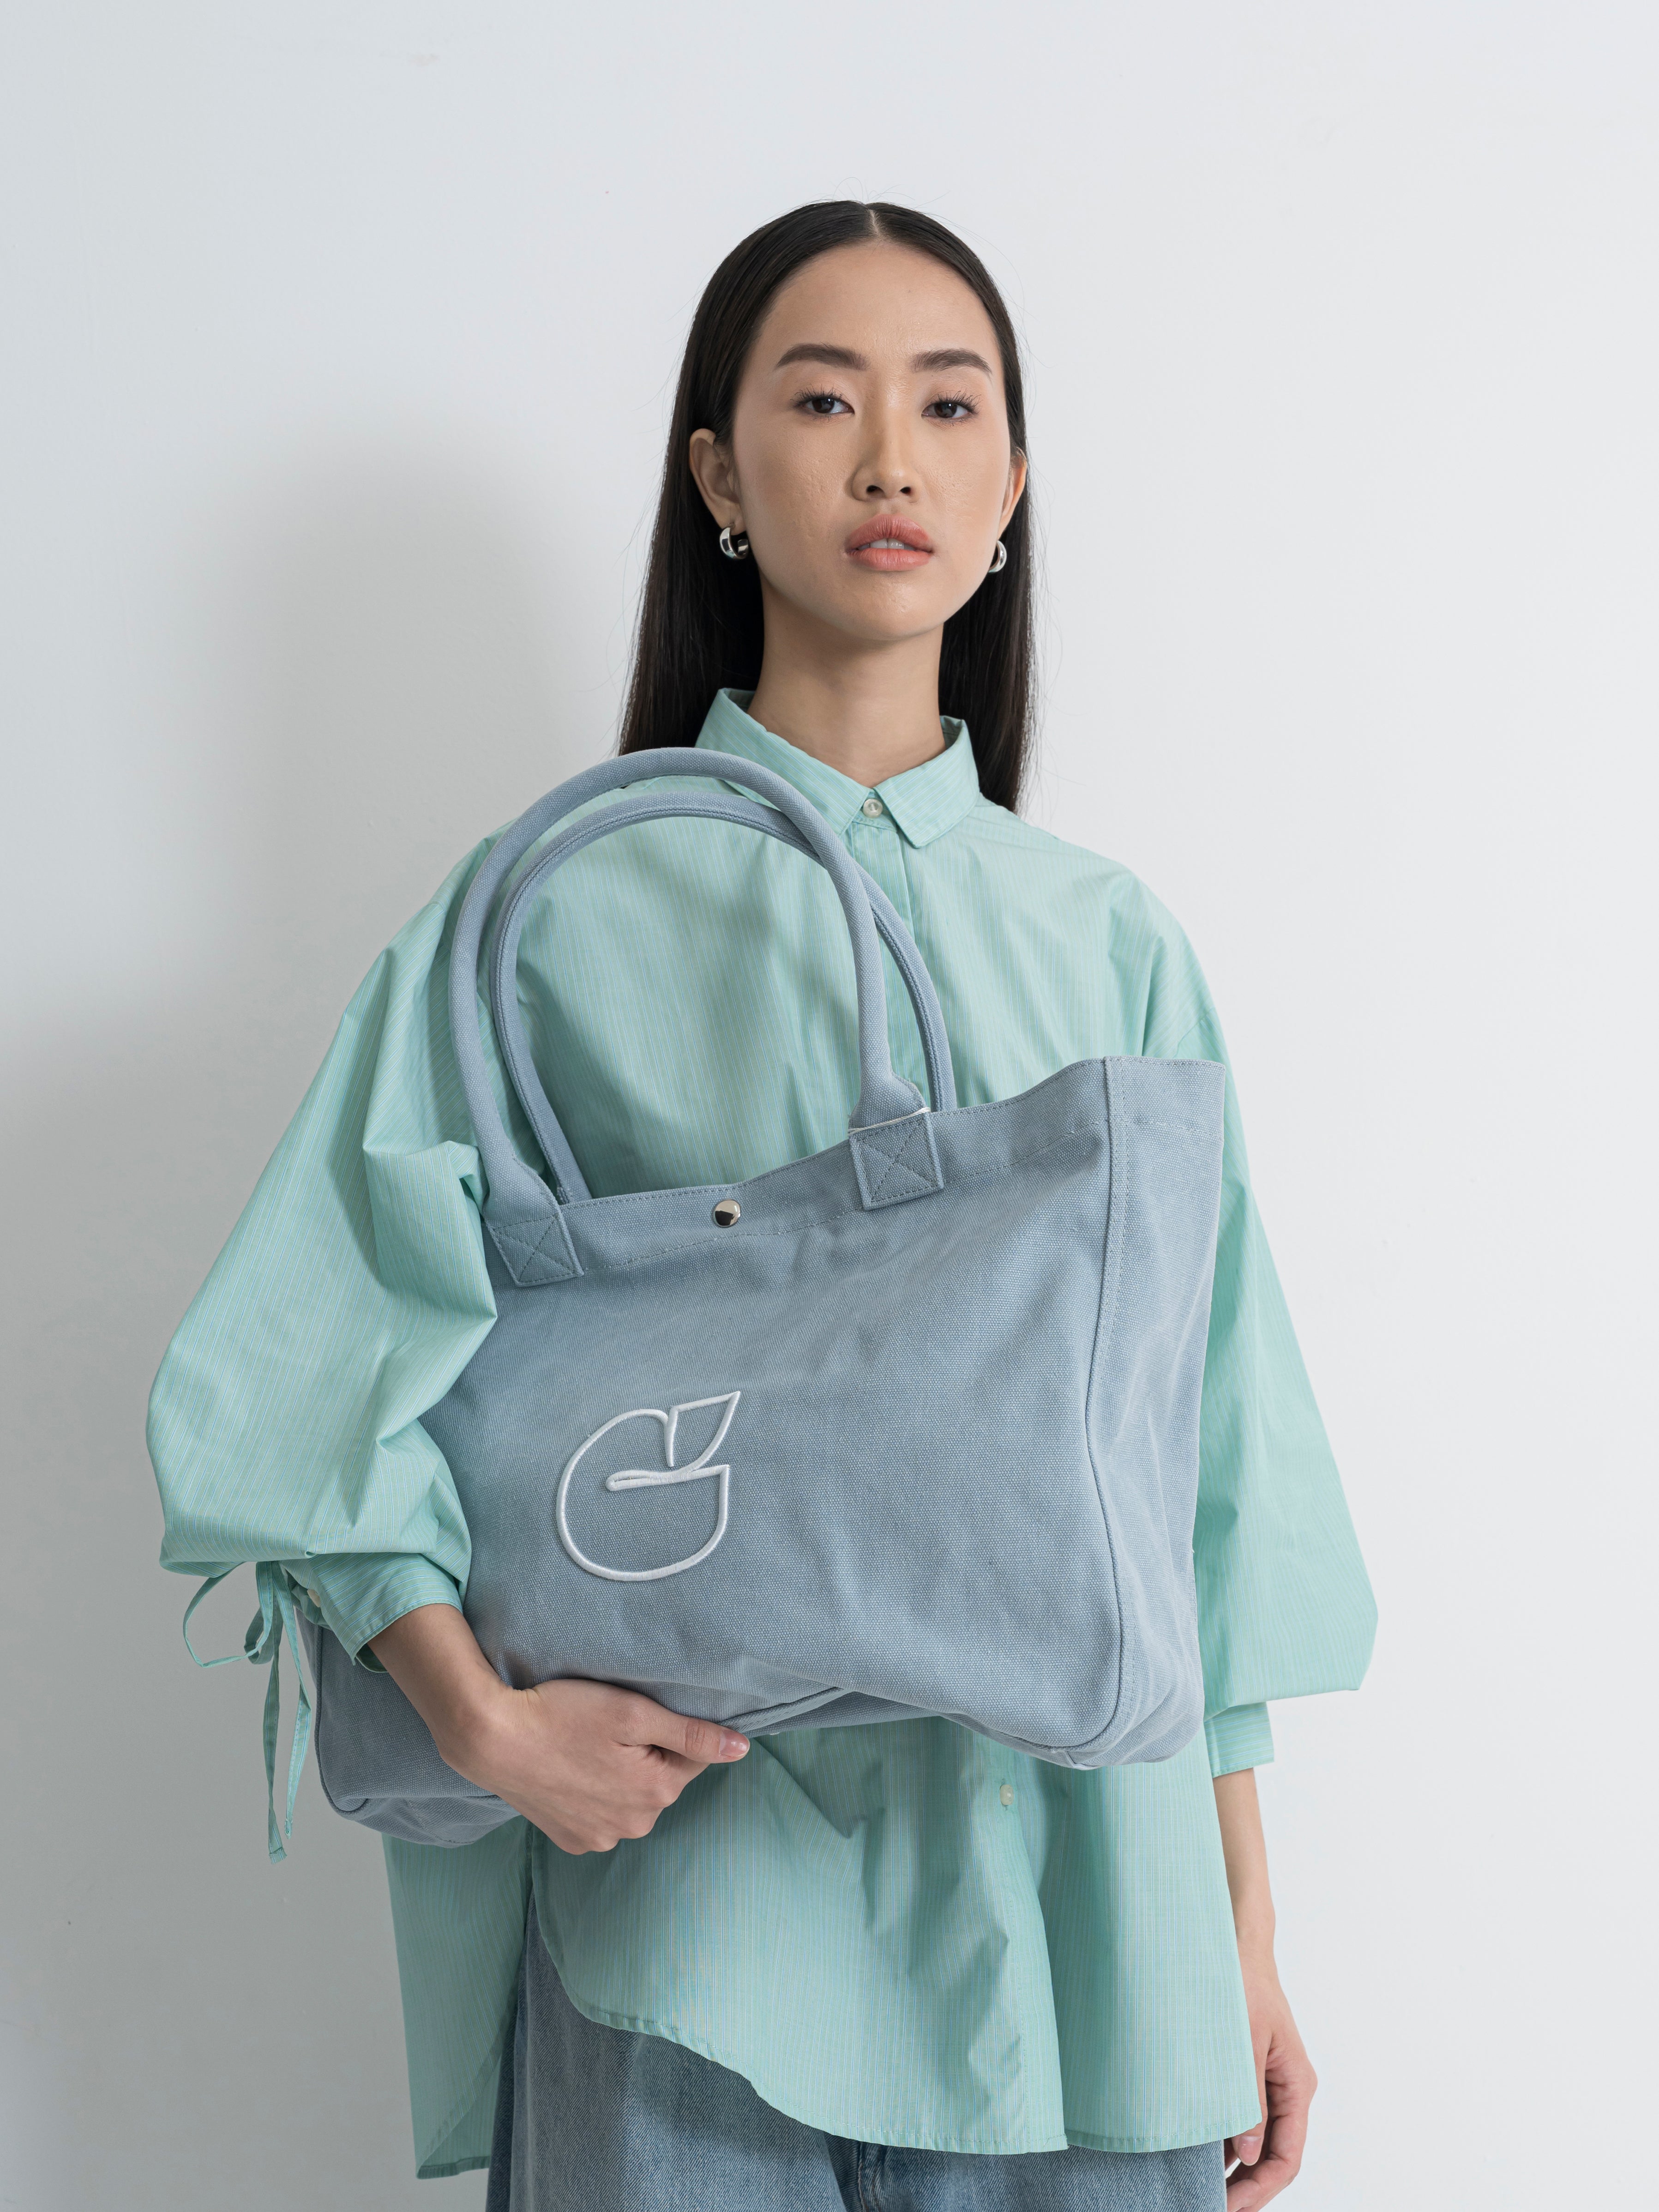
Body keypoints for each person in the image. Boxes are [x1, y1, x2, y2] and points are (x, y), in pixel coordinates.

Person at [148, 201, 1376, 2212]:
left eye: (948, 406)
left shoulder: (1110, 944)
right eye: (821, 400)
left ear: (1008, 487)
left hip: (1081, 1926)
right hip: (691, 1915)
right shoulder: (549, 914)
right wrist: (479, 1722)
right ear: (718, 476)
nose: (890, 458)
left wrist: (1238, 1934)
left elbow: (1203, 1476)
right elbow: (295, 1367)